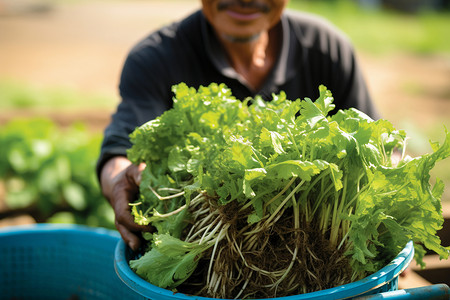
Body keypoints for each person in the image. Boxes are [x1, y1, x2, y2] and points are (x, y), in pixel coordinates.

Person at [98, 0, 380, 251]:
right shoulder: (155, 58)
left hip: (323, 247)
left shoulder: (328, 48)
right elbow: (121, 151)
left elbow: (377, 147)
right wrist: (118, 180)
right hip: (204, 250)